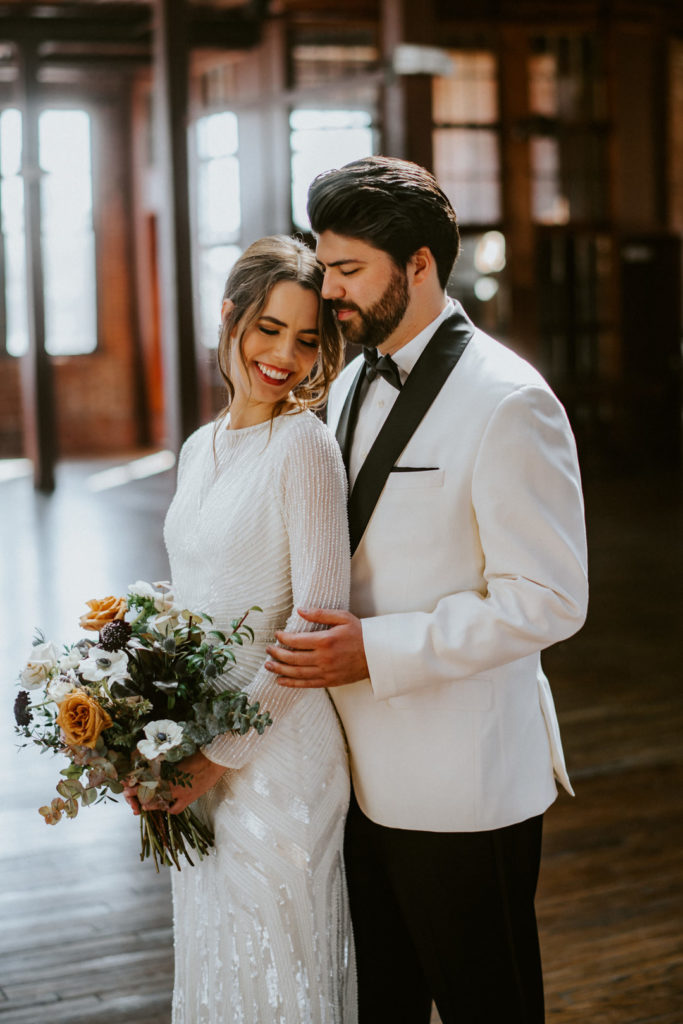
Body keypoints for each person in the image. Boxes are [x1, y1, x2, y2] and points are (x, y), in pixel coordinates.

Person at [265, 157, 589, 1024]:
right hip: (348, 774)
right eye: (323, 264)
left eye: (347, 270)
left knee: (490, 1004)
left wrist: (374, 648)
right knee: (384, 1005)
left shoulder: (510, 400)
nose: (326, 290)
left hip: (461, 780)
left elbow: (548, 598)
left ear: (417, 265)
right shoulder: (344, 380)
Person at [127, 236, 356, 1023]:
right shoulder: (200, 447)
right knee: (218, 958)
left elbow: (316, 619)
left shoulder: (305, 445)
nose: (283, 356)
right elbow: (195, 595)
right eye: (268, 329)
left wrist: (219, 759)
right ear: (230, 318)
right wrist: (138, 722)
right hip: (198, 748)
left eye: (305, 338)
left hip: (278, 752)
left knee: (279, 968)